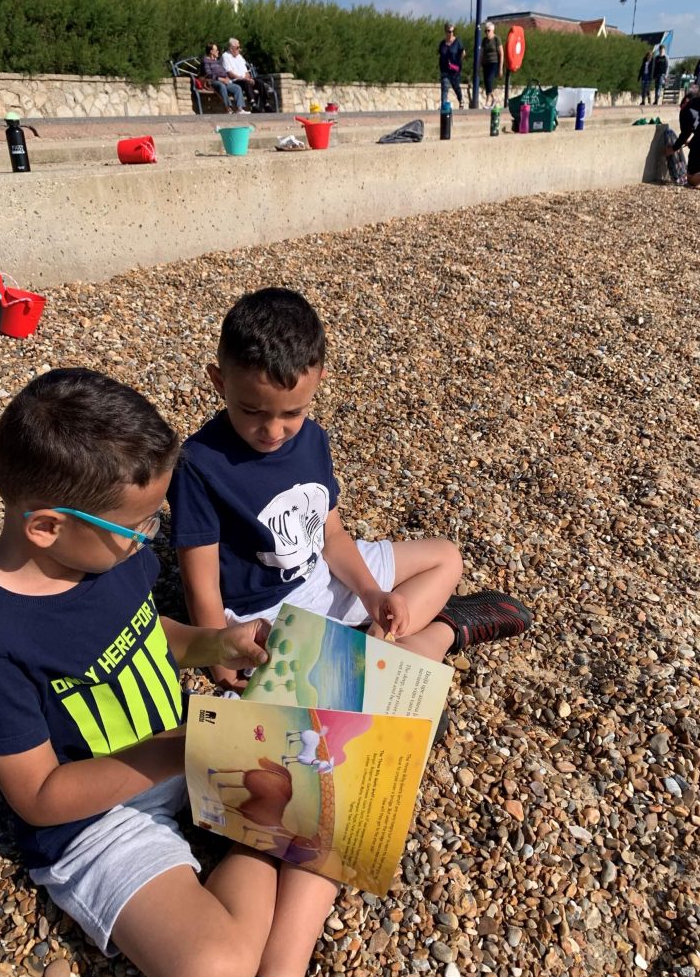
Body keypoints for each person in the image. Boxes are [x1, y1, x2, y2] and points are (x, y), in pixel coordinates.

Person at [0, 367, 337, 977]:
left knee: (339, 794)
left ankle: (264, 893)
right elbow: (40, 798)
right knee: (209, 976)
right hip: (96, 814)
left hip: (184, 747)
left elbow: (149, 632)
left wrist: (213, 644)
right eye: (139, 528)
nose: (149, 541)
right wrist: (186, 749)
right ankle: (255, 850)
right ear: (47, 526)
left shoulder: (103, 556)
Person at [168, 287, 531, 691]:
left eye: (292, 412)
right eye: (251, 411)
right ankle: (443, 631)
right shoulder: (198, 464)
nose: (272, 431)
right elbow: (199, 584)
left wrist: (373, 595)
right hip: (264, 615)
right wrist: (220, 660)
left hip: (323, 577)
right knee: (331, 688)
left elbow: (332, 536)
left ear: (319, 381)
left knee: (445, 557)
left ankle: (380, 656)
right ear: (219, 381)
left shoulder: (311, 440)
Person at [665, 85, 700, 188]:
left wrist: (674, 148)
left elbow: (686, 133)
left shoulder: (686, 108)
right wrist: (693, 142)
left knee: (691, 178)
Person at [222, 38, 268, 113]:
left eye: (239, 47)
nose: (239, 49)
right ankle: (253, 104)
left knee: (259, 82)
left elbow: (246, 72)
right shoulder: (225, 56)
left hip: (245, 79)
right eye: (237, 47)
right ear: (231, 48)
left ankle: (266, 104)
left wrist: (248, 78)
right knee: (246, 83)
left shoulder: (239, 57)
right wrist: (244, 79)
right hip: (235, 81)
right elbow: (230, 74)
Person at [202, 42, 250, 115]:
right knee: (222, 86)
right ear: (211, 51)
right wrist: (221, 79)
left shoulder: (217, 62)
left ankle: (240, 109)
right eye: (217, 50)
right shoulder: (206, 61)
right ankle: (228, 108)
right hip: (213, 81)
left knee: (237, 87)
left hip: (224, 81)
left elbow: (223, 72)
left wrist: (226, 78)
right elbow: (208, 75)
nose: (218, 51)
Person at [439, 23, 466, 110]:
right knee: (445, 86)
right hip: (445, 69)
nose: (451, 33)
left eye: (452, 31)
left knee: (456, 86)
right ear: (445, 32)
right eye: (449, 32)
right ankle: (443, 105)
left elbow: (463, 53)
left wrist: (458, 62)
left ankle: (461, 99)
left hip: (455, 69)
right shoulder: (442, 43)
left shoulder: (457, 42)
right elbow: (441, 54)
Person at [479, 22, 503, 108]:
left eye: (488, 31)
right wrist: (479, 63)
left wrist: (500, 68)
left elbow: (501, 53)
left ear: (493, 30)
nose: (487, 33)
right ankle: (488, 102)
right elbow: (481, 53)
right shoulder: (484, 40)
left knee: (489, 80)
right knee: (486, 83)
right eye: (485, 31)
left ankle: (493, 98)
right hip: (486, 63)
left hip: (494, 63)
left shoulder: (497, 39)